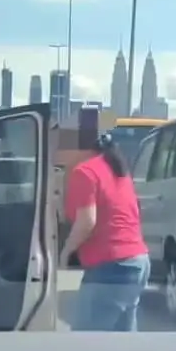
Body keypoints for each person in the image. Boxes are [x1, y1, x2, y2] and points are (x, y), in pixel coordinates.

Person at [62, 132, 150, 331]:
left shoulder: (85, 172)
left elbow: (87, 221)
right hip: (138, 261)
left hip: (111, 265)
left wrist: (66, 252)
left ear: (81, 150)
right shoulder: (118, 170)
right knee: (121, 342)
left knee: (88, 342)